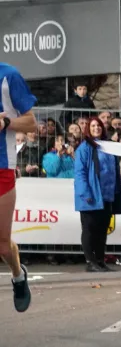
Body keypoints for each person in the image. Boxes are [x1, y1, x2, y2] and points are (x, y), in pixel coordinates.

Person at [0, 63, 38, 313]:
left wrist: (5, 122)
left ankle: (18, 275)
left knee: (3, 246)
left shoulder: (8, 75)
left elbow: (31, 123)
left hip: (2, 166)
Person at [73, 117, 121, 272]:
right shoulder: (84, 148)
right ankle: (90, 262)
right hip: (91, 196)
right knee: (89, 229)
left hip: (107, 195)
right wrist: (85, 193)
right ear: (88, 129)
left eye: (98, 126)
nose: (96, 128)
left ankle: (100, 260)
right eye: (93, 126)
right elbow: (80, 173)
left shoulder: (108, 146)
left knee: (102, 230)